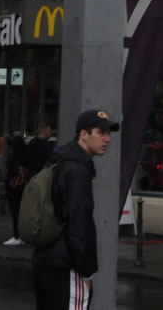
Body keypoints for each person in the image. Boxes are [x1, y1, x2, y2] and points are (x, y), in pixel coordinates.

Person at [32, 107, 120, 310]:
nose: (107, 139)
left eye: (108, 134)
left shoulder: (61, 161)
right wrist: (85, 272)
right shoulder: (78, 171)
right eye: (101, 133)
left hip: (47, 260)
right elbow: (78, 224)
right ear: (84, 135)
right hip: (66, 267)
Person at [4, 132, 28, 245]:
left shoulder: (15, 156)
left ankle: (17, 235)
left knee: (15, 211)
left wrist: (7, 181)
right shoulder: (24, 154)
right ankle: (22, 235)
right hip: (22, 186)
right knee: (21, 211)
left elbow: (11, 170)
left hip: (14, 186)